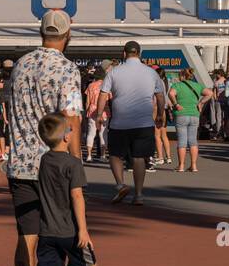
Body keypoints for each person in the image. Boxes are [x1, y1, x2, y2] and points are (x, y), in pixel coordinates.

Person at [5, 10, 120, 266]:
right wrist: (76, 158)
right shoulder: (66, 69)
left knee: (26, 237)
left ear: (40, 33)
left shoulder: (20, 66)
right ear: (68, 36)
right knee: (68, 231)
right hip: (53, 164)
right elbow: (72, 116)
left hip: (21, 163)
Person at [32, 112, 101, 266]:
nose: (72, 133)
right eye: (69, 131)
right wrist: (83, 230)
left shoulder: (44, 160)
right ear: (64, 138)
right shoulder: (73, 164)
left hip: (46, 230)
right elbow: (77, 196)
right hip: (69, 229)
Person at [99, 40, 166, 205]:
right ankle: (139, 194)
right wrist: (160, 115)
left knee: (115, 155)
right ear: (140, 53)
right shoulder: (151, 73)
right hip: (144, 123)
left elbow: (103, 94)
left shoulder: (114, 72)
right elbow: (160, 96)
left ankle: (121, 185)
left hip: (120, 122)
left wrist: (99, 114)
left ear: (124, 53)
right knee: (139, 158)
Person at [171, 67, 208, 172]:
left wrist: (176, 104)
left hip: (181, 114)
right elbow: (210, 93)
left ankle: (181, 166)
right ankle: (194, 165)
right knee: (193, 141)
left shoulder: (177, 85)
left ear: (182, 76)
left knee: (182, 141)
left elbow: (171, 94)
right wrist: (201, 103)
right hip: (194, 114)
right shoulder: (197, 86)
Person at [83, 65, 109, 162]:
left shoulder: (90, 85)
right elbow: (109, 99)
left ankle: (89, 155)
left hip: (92, 110)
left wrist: (87, 111)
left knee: (91, 133)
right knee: (103, 134)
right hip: (104, 111)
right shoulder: (107, 85)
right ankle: (103, 156)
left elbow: (87, 101)